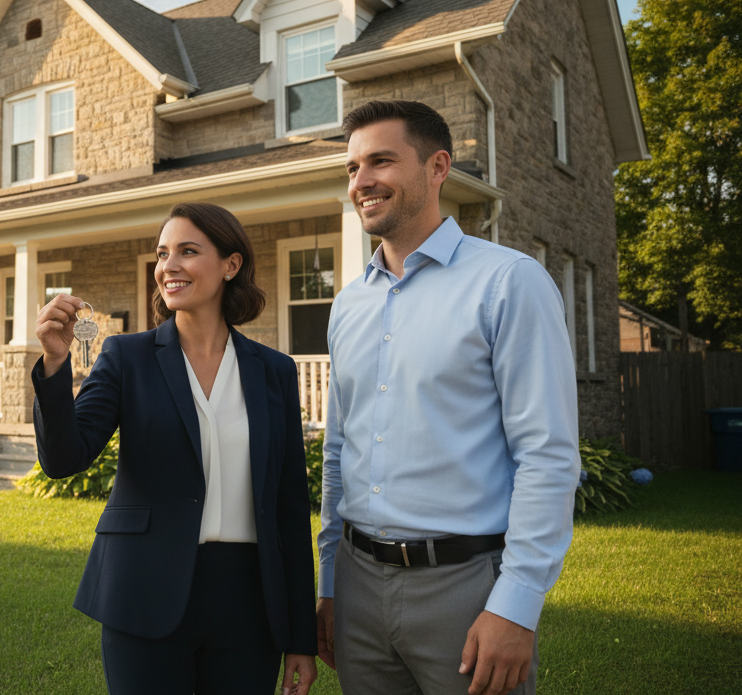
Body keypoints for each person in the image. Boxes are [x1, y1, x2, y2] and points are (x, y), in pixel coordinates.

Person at [316, 99, 581, 694]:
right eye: (353, 168)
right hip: (357, 588)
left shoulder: (509, 283)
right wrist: (330, 584)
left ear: (438, 167)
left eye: (381, 161)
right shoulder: (348, 305)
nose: (362, 182)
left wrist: (515, 605)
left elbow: (547, 456)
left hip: (465, 588)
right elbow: (339, 452)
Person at [32, 202, 318, 695]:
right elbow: (64, 459)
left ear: (231, 265)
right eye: (163, 253)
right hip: (144, 591)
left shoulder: (275, 371)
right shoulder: (127, 356)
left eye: (188, 251)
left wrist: (300, 637)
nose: (169, 266)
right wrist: (56, 365)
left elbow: (290, 509)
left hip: (249, 603)